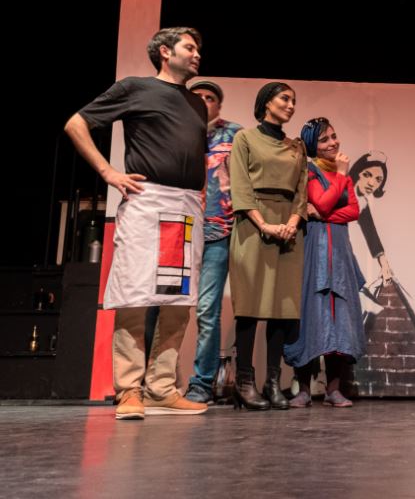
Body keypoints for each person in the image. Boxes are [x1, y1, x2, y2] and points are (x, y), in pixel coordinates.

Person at [64, 27, 209, 419]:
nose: (197, 53)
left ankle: (161, 388)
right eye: (189, 47)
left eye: (198, 48)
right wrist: (107, 172)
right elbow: (76, 123)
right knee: (135, 294)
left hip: (185, 206)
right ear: (165, 52)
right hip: (147, 201)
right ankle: (128, 390)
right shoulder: (135, 88)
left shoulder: (197, 104)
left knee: (178, 300)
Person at [228, 82, 308, 410]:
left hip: (288, 227)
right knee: (249, 305)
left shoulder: (296, 147)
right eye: (284, 98)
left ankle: (272, 381)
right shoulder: (245, 138)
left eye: (293, 100)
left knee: (281, 307)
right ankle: (244, 382)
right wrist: (264, 224)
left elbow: (301, 191)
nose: (291, 105)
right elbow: (240, 187)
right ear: (266, 103)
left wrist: (292, 222)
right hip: (253, 223)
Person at [285, 118, 366, 407]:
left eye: (334, 136)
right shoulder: (309, 171)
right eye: (324, 139)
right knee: (310, 315)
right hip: (314, 248)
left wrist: (325, 214)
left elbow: (352, 211)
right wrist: (341, 176)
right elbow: (321, 201)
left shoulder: (342, 176)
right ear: (312, 145)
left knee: (339, 316)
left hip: (340, 251)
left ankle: (333, 389)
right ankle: (304, 389)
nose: (333, 143)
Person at [184, 80, 242, 404]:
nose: (204, 101)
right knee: (168, 308)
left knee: (207, 309)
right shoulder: (177, 130)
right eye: (199, 97)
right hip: (181, 230)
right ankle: (156, 382)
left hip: (218, 231)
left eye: (210, 98)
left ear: (218, 105)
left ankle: (202, 384)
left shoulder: (234, 134)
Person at [349, 152, 393, 285]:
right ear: (357, 172)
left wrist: (384, 265)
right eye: (367, 175)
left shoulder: (362, 202)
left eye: (378, 180)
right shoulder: (341, 190)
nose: (371, 183)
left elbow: (371, 234)